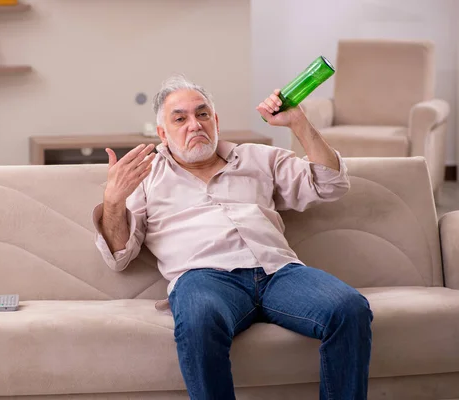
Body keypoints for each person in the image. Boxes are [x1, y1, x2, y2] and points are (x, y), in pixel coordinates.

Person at [92, 75, 373, 400]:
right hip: (204, 279)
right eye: (180, 118)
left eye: (202, 114)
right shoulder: (145, 177)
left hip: (278, 273)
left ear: (216, 121)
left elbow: (331, 184)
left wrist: (298, 122)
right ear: (162, 134)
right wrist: (113, 201)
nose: (194, 125)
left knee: (350, 308)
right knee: (198, 319)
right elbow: (119, 255)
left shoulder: (258, 158)